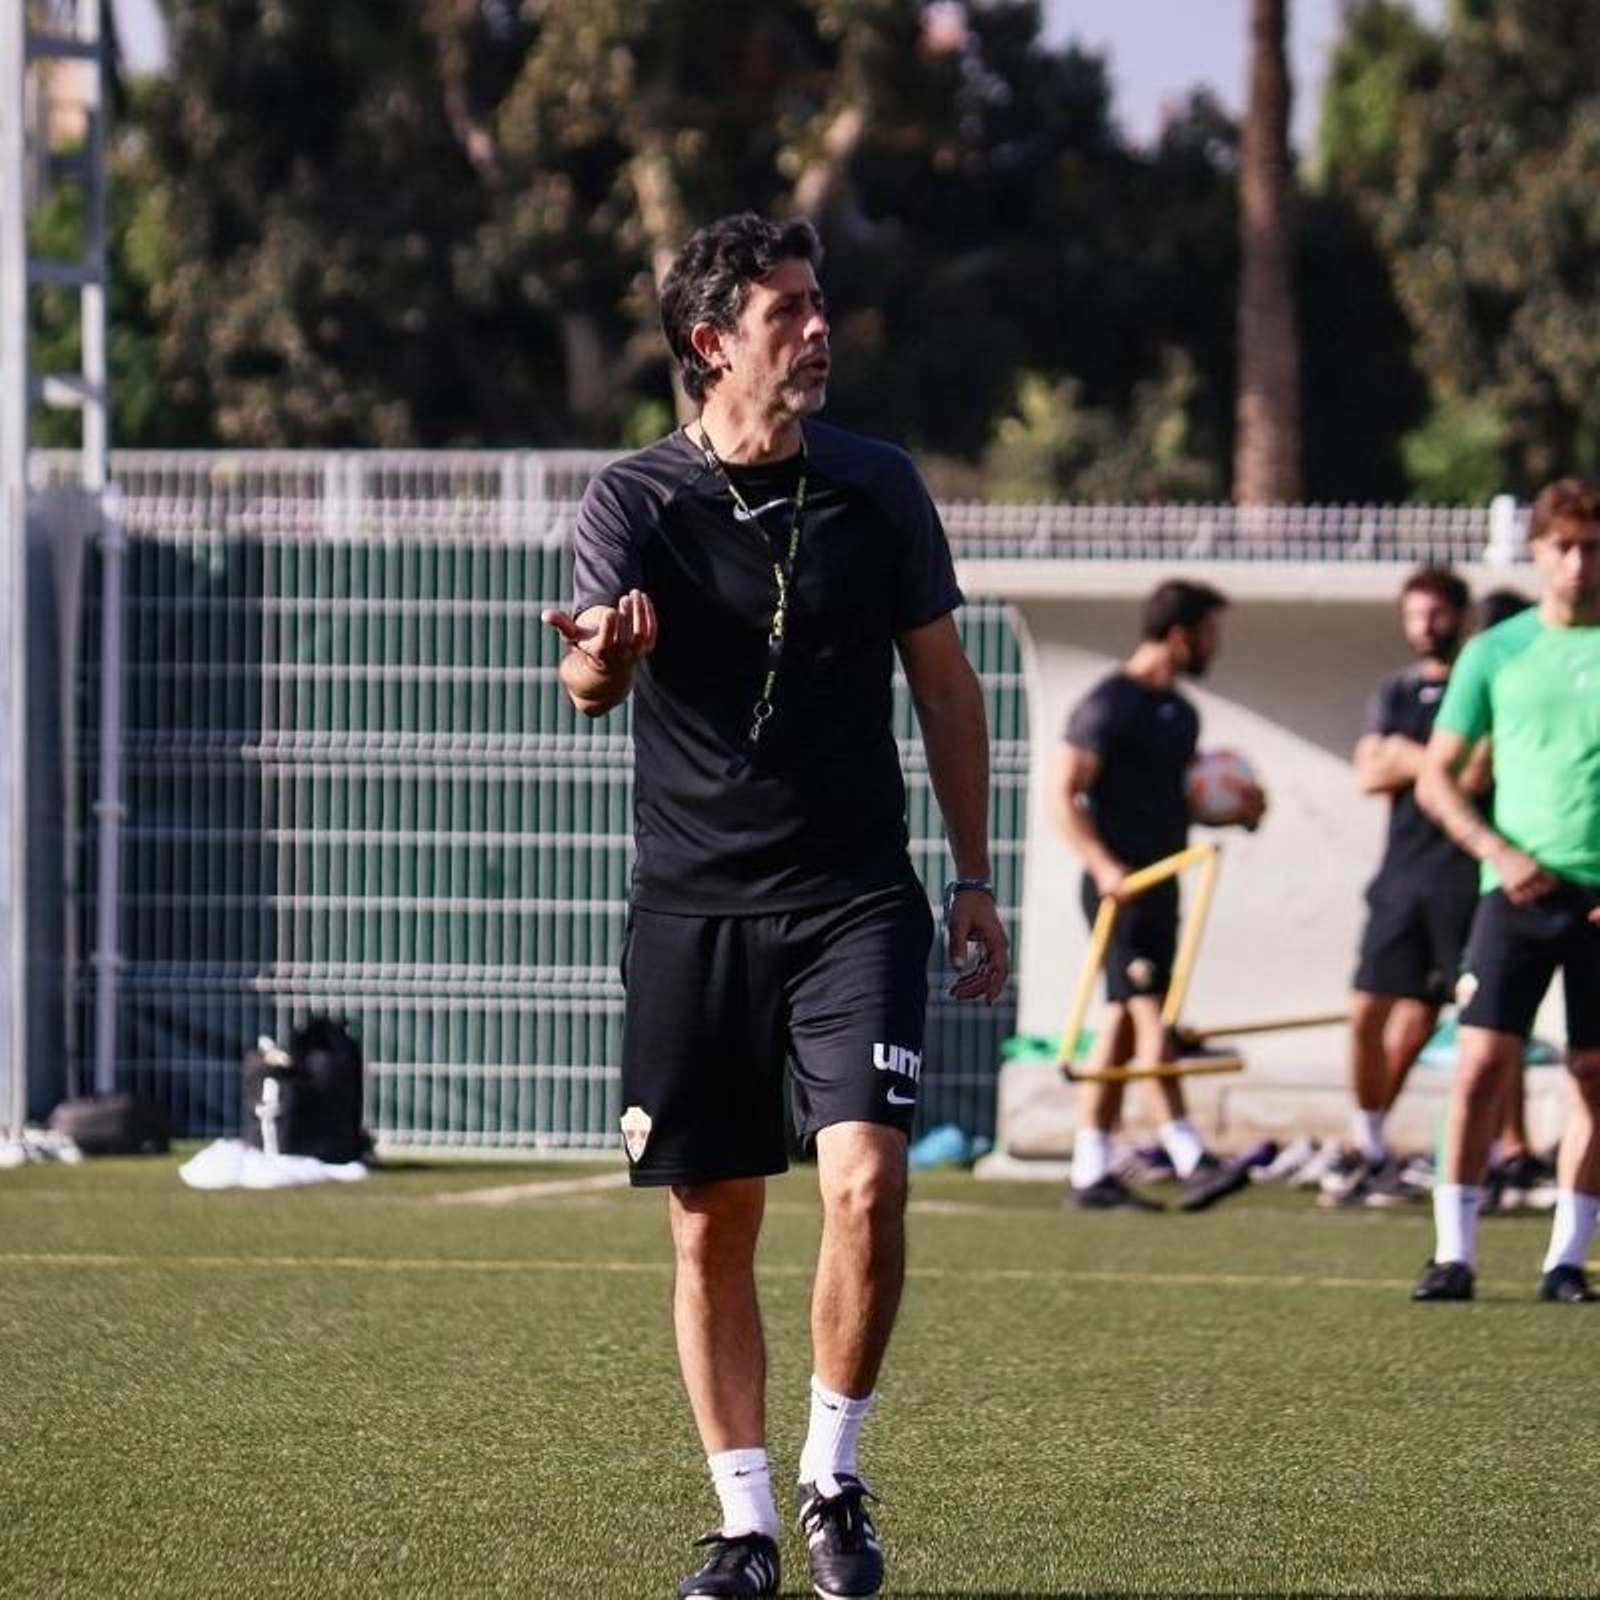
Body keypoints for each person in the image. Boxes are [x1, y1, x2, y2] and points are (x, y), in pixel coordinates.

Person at [542, 213, 1010, 1599]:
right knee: (713, 1217)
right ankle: (742, 1524)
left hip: (854, 898)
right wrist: (605, 660)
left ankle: (833, 1479)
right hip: (693, 910)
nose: (817, 330)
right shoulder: (634, 500)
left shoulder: (879, 486)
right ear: (712, 343)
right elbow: (584, 683)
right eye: (785, 312)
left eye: (819, 304)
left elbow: (945, 689)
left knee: (867, 1180)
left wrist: (973, 878)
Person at [1412, 477, 1600, 1303]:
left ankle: (1566, 1260)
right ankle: (1453, 1254)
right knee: (1482, 1064)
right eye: (1565, 546)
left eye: (1593, 547)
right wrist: (1498, 850)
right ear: (1538, 552)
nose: (1579, 562)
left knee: (1592, 1075)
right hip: (1514, 892)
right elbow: (1435, 778)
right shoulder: (1496, 651)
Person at [1050, 580, 1266, 1214]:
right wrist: (1104, 866)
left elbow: (1173, 802)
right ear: (1179, 634)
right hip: (1122, 892)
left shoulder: (1183, 714)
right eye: (1210, 633)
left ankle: (1090, 1172)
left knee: (1121, 1024)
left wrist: (1236, 811)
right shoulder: (1110, 703)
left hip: (1164, 885)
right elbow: (1062, 793)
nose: (1214, 647)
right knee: (1152, 1016)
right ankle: (1190, 1155)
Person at [1323, 567, 1483, 1209]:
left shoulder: (1478, 681)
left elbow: (1475, 776)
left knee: (1432, 1019)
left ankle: (1490, 1158)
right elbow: (1368, 772)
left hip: (1462, 875)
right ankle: (1367, 1143)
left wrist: (1406, 757)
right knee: (1367, 1009)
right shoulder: (1396, 690)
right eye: (1414, 614)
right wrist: (1433, 763)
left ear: (1460, 616)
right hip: (1400, 875)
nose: (1425, 626)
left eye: (1436, 613)